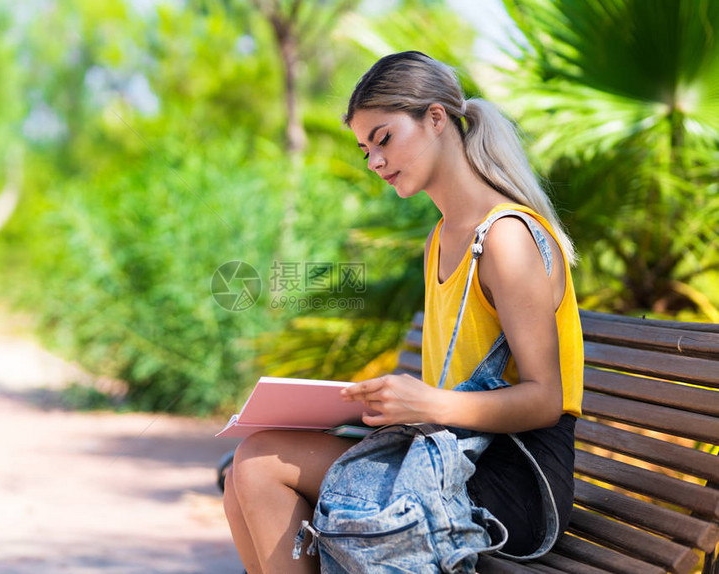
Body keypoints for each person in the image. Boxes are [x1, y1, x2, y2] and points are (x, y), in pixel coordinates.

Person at [222, 50, 583, 573]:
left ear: (436, 118)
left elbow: (545, 400)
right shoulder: (440, 239)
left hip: (518, 478)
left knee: (260, 466)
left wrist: (428, 403)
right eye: (365, 148)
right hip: (455, 453)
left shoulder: (505, 238)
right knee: (244, 469)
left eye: (384, 138)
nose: (374, 162)